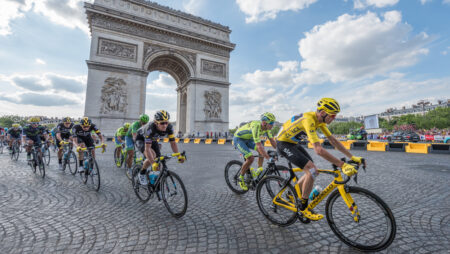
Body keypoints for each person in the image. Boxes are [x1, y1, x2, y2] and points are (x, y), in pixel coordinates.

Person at [276, 98, 365, 221]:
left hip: (293, 143)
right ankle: (303, 207)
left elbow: (333, 141)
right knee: (311, 170)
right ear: (322, 113)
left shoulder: (321, 122)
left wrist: (352, 157)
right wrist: (342, 165)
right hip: (283, 143)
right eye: (333, 115)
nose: (334, 118)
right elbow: (318, 150)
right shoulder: (309, 120)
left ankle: (291, 193)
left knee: (314, 171)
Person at [135, 110, 185, 185]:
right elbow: (147, 148)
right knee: (153, 156)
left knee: (159, 162)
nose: (165, 125)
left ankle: (156, 184)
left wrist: (179, 155)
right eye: (162, 123)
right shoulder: (150, 128)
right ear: (156, 123)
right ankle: (142, 173)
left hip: (153, 139)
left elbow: (173, 143)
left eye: (166, 122)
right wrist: (152, 163)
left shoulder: (169, 127)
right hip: (141, 140)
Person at [233, 112, 277, 191]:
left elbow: (272, 141)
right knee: (251, 158)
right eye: (271, 123)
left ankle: (259, 170)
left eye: (273, 123)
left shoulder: (267, 129)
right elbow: (258, 145)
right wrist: (268, 158)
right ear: (264, 123)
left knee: (261, 150)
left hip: (248, 139)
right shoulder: (256, 126)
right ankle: (241, 177)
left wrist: (280, 150)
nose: (272, 125)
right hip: (239, 139)